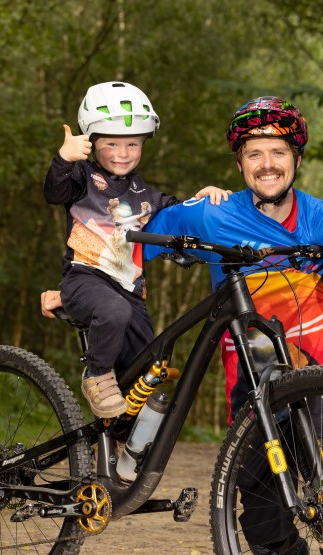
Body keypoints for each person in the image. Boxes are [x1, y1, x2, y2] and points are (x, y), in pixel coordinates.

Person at [138, 96, 323, 555]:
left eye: (277, 151)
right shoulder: (214, 215)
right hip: (256, 386)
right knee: (256, 515)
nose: (267, 163)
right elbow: (133, 238)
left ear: (296, 159)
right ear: (240, 164)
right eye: (255, 153)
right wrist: (79, 282)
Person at [42, 81, 228, 418]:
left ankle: (122, 444)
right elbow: (55, 192)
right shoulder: (82, 177)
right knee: (114, 311)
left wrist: (204, 198)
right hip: (85, 277)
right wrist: (63, 160)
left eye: (132, 144)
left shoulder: (147, 194)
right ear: (92, 141)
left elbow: (177, 215)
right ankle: (97, 375)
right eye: (111, 143)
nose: (122, 153)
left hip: (130, 289)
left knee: (149, 365)